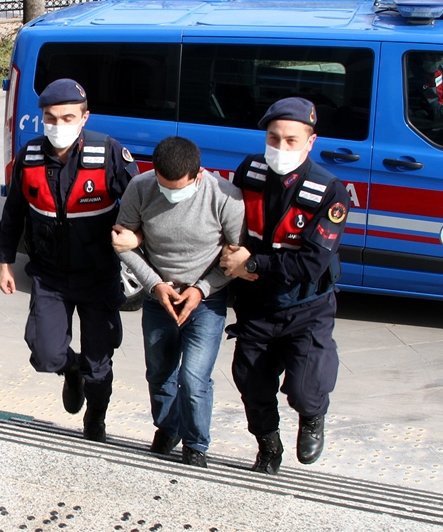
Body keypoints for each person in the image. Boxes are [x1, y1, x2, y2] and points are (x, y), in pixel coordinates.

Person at [0, 78, 137, 442]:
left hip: (98, 275)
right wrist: (5, 262)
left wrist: (135, 237)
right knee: (45, 354)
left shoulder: (108, 153)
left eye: (67, 117)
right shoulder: (28, 158)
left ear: (84, 117)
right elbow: (12, 215)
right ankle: (68, 369)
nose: (58, 126)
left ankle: (96, 420)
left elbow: (140, 202)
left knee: (99, 361)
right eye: (51, 118)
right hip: (50, 274)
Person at [218, 97, 350, 475]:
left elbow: (312, 263)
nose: (280, 147)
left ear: (310, 142)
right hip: (257, 305)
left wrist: (254, 262)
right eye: (273, 138)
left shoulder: (330, 192)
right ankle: (268, 444)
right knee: (251, 382)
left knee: (305, 389)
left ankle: (312, 416)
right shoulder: (250, 171)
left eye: (291, 140)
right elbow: (232, 228)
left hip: (306, 309)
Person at [112, 136, 245, 469]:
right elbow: (123, 244)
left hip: (206, 301)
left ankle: (196, 443)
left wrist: (201, 289)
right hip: (159, 297)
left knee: (194, 377)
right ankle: (167, 427)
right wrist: (154, 285)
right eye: (164, 186)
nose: (171, 194)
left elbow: (235, 258)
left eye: (178, 188)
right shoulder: (141, 188)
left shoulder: (225, 197)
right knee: (159, 372)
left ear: (198, 175)